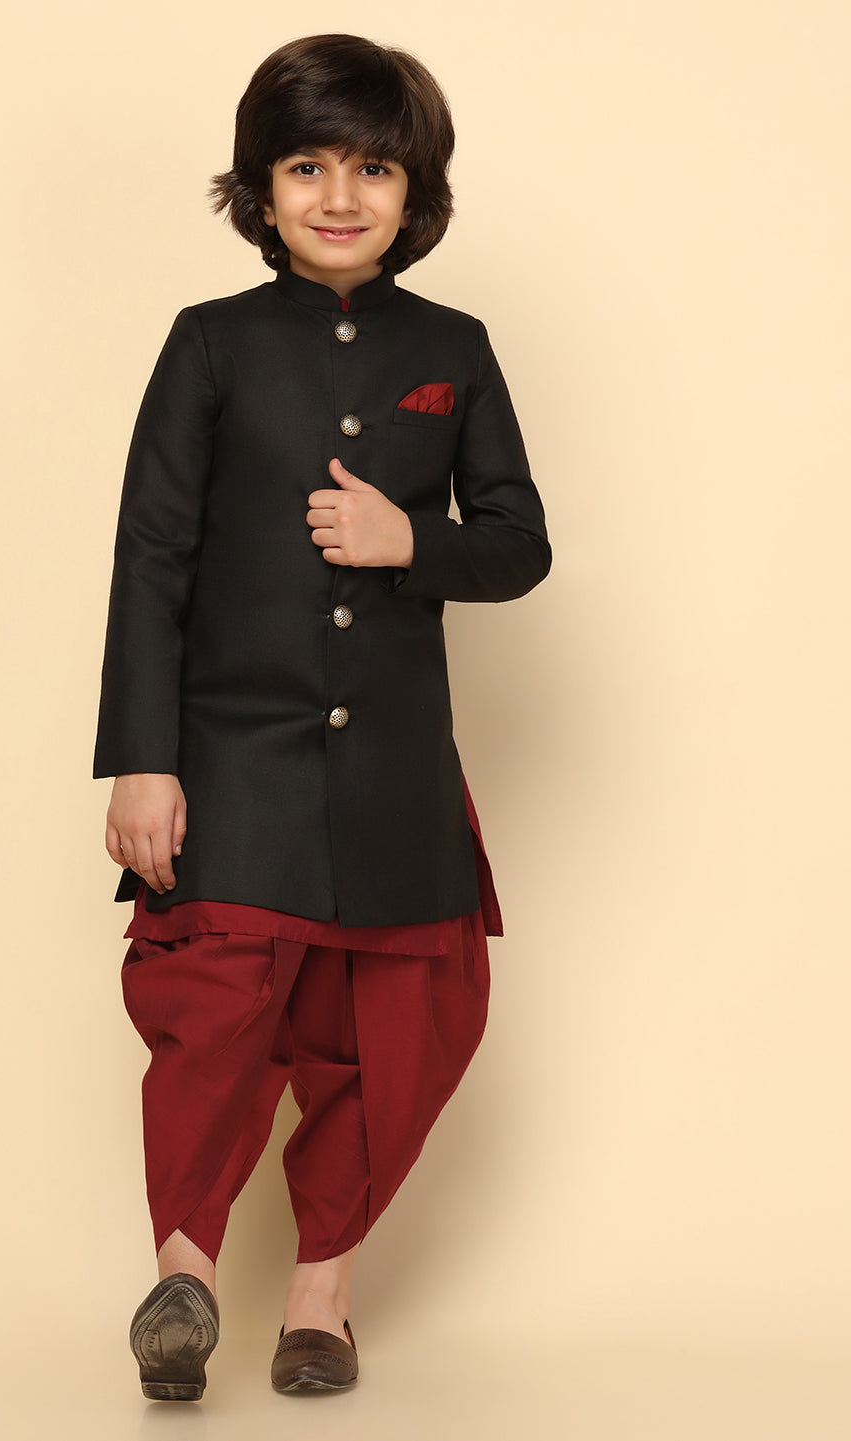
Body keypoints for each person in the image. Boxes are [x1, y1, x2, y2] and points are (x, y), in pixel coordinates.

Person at [93, 33, 551, 1401]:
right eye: (306, 167)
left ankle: (320, 1304)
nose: (340, 196)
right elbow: (151, 557)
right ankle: (182, 1278)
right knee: (212, 1014)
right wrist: (142, 761)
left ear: (416, 192)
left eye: (372, 169)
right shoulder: (212, 342)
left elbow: (519, 544)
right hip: (230, 757)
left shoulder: (455, 349)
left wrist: (413, 539)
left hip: (396, 769)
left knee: (394, 1033)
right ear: (261, 187)